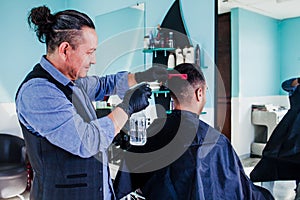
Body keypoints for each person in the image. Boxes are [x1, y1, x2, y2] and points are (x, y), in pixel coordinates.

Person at [15, 6, 167, 200]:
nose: (93, 60)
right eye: (89, 52)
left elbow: (105, 84)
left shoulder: (72, 82)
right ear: (65, 50)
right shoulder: (38, 92)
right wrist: (127, 107)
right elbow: (88, 141)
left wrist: (143, 75)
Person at [113, 63, 274, 199]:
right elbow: (241, 190)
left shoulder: (150, 134)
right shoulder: (217, 141)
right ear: (199, 93)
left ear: (171, 95)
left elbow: (122, 185)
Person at [250, 77, 300, 194]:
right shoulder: (296, 84)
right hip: (291, 127)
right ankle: (264, 193)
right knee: (271, 158)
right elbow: (285, 85)